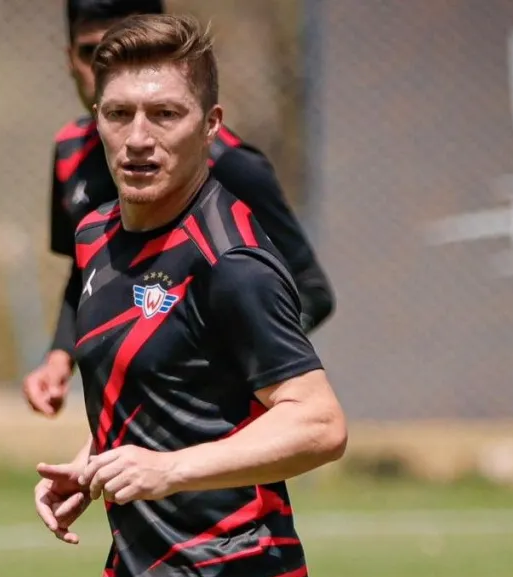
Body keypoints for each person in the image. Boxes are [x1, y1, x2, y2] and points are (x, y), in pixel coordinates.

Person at [33, 14, 347, 577]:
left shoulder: (230, 260)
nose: (138, 138)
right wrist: (93, 462)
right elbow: (165, 383)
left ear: (210, 125)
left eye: (165, 114)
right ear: (96, 118)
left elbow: (320, 424)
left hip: (236, 569)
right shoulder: (95, 236)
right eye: (119, 114)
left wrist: (169, 469)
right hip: (140, 570)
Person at [23, 0, 334, 417]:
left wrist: (227, 360)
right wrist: (61, 356)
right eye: (91, 52)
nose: (102, 68)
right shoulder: (70, 153)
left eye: (164, 114)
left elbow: (310, 290)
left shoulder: (231, 167)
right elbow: (88, 269)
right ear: (69, 58)